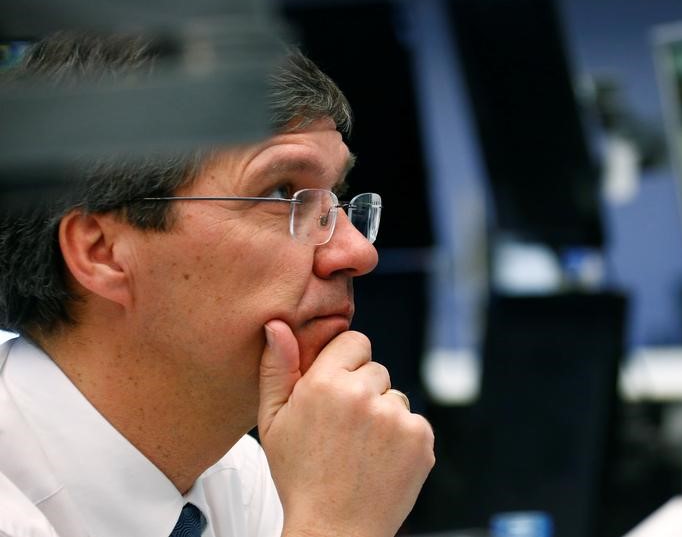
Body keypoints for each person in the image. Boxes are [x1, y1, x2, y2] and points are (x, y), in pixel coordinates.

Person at [0, 33, 435, 536]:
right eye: (280, 192)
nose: (358, 252)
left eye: (335, 198)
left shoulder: (250, 477)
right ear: (102, 253)